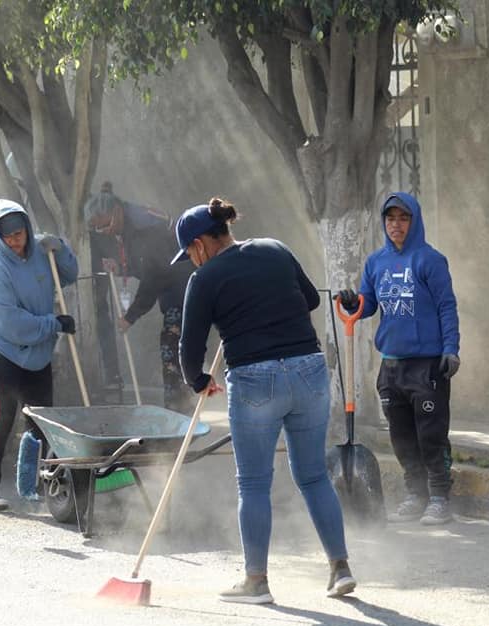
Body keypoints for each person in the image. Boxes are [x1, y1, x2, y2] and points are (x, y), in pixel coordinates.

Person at [175, 198, 354, 604]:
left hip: (255, 378)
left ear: (200, 244)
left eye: (189, 254)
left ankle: (256, 581)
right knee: (313, 476)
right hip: (309, 370)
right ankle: (340, 568)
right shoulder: (275, 248)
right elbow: (310, 299)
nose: (191, 262)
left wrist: (199, 380)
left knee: (254, 483)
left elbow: (190, 348)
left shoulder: (203, 280)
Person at [337, 191, 460, 526]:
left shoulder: (430, 260)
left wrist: (451, 348)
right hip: (391, 364)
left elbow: (447, 306)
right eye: (390, 219)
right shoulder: (376, 263)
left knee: (431, 434)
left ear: (414, 221)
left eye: (403, 218)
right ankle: (415, 493)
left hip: (427, 365)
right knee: (401, 436)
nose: (396, 225)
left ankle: (438, 497)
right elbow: (367, 304)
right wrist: (352, 303)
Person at [0, 199, 78, 512]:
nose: (16, 241)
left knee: (40, 419)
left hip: (38, 352)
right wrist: (54, 323)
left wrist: (60, 248)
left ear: (28, 230)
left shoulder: (41, 253)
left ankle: (36, 488)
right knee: (2, 415)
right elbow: (12, 325)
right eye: (8, 237)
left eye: (19, 234)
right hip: (1, 350)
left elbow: (70, 274)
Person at [84, 182, 195, 413]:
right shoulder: (129, 224)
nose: (102, 233)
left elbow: (154, 276)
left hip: (186, 287)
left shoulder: (145, 227)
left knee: (171, 345)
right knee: (175, 345)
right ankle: (182, 401)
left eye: (102, 227)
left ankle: (178, 408)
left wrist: (131, 316)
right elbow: (144, 265)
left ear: (113, 213)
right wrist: (122, 268)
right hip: (174, 286)